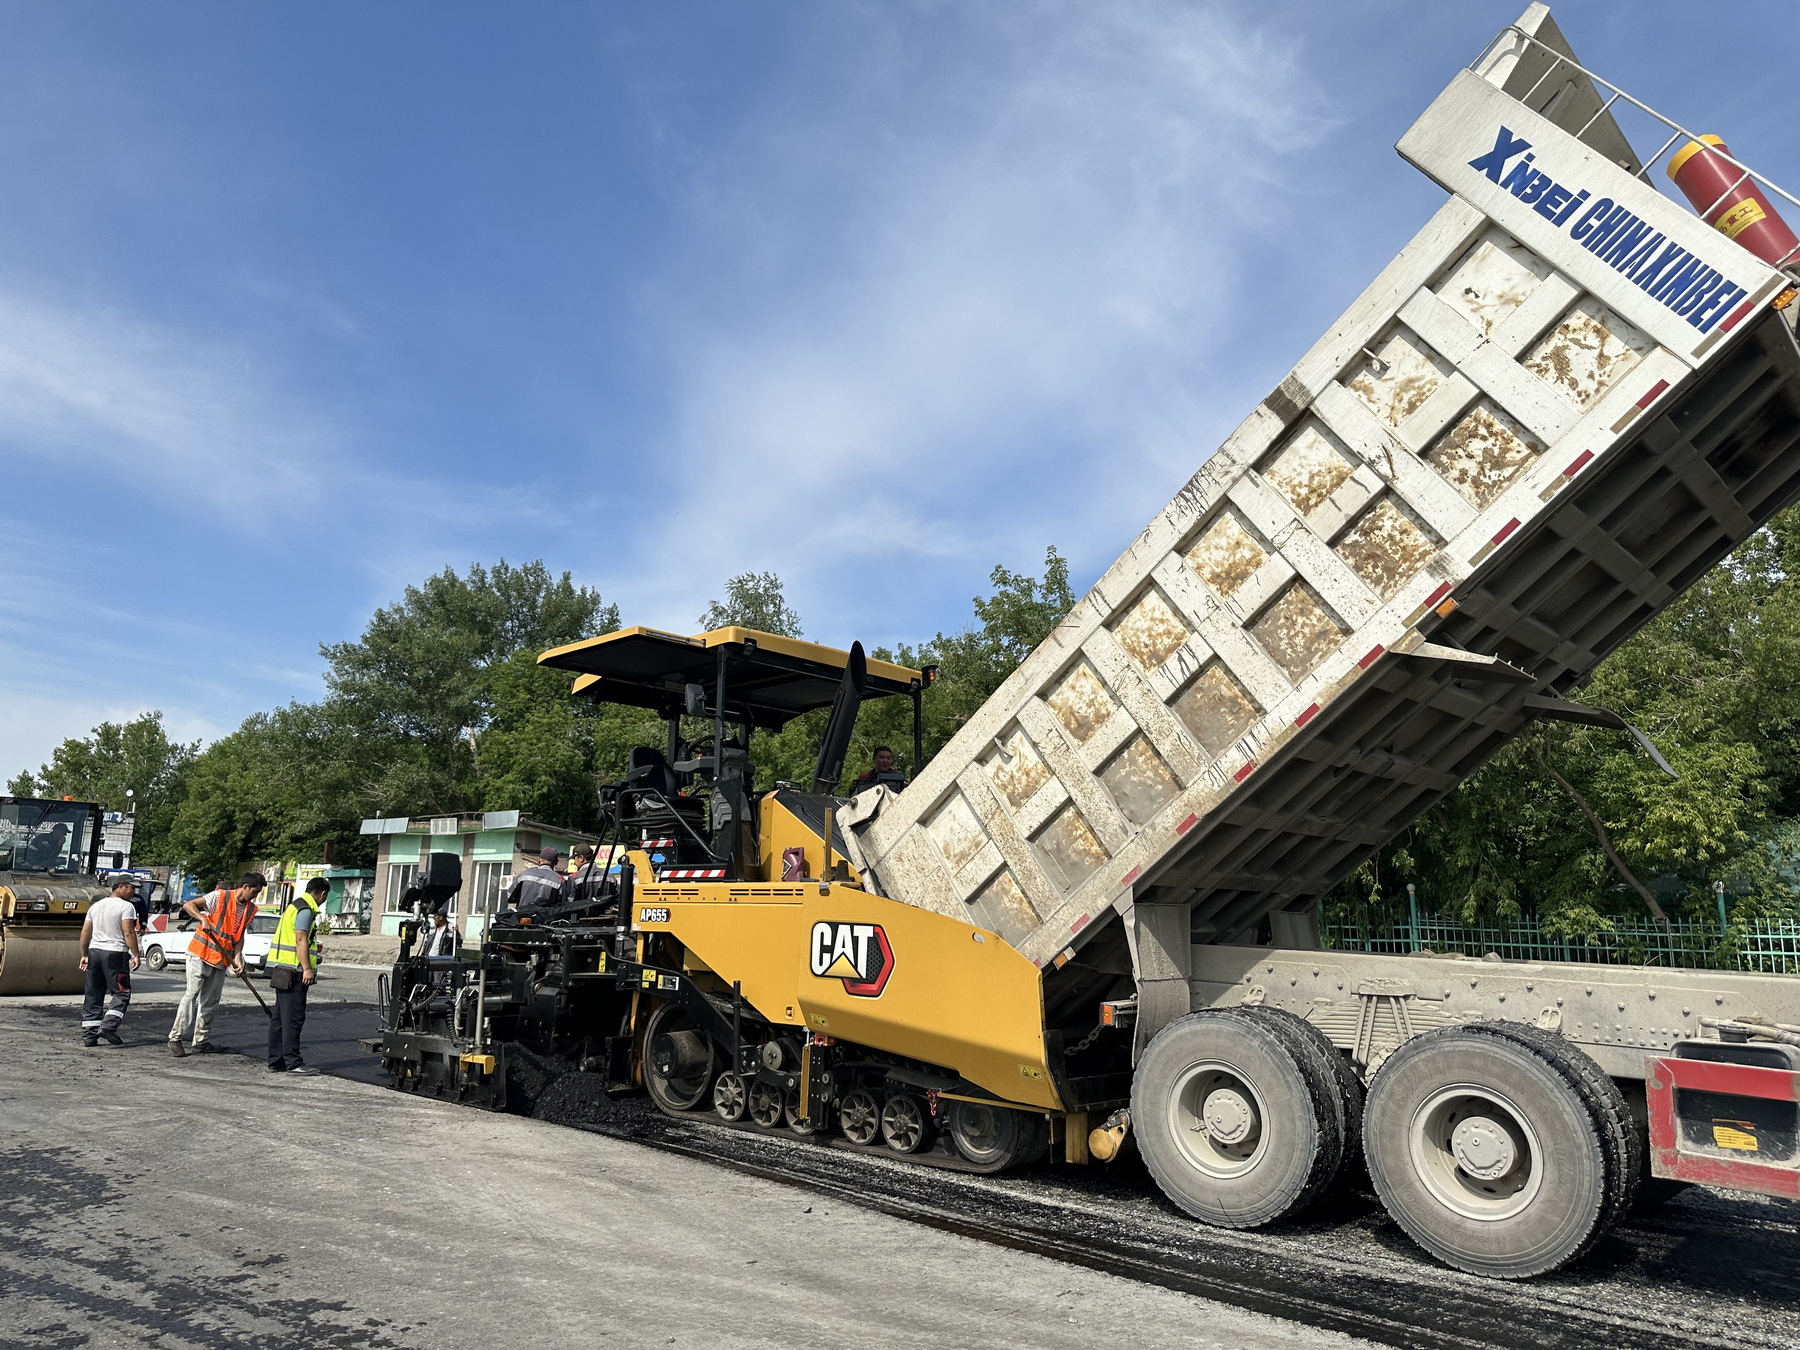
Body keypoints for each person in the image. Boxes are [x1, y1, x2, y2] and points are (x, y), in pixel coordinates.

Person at [167, 873, 265, 1057]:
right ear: (245, 886)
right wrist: (203, 919)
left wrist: (237, 958)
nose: (255, 895)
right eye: (254, 891)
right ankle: (176, 1037)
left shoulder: (250, 909)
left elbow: (238, 936)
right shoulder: (219, 896)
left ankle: (200, 1042)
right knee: (192, 995)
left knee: (211, 1001)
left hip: (221, 958)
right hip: (200, 952)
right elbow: (189, 905)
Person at [266, 877, 326, 1075]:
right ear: (322, 893)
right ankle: (293, 1062)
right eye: (325, 897)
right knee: (293, 1018)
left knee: (280, 1019)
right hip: (294, 972)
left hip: (282, 969)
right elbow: (301, 939)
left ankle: (276, 1060)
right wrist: (307, 969)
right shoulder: (306, 910)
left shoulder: (293, 906)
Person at [78, 879, 142, 1047]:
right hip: (115, 954)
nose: (133, 892)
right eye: (131, 888)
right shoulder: (126, 906)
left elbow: (85, 932)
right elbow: (128, 932)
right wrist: (136, 954)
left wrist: (85, 954)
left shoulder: (96, 906)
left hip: (95, 953)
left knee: (93, 993)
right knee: (121, 992)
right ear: (120, 887)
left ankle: (89, 1036)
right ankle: (109, 1026)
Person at [503, 847, 567, 912]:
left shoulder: (524, 874)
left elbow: (509, 896)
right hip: (544, 919)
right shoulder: (560, 880)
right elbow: (563, 904)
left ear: (539, 860)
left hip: (521, 917)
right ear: (556, 862)